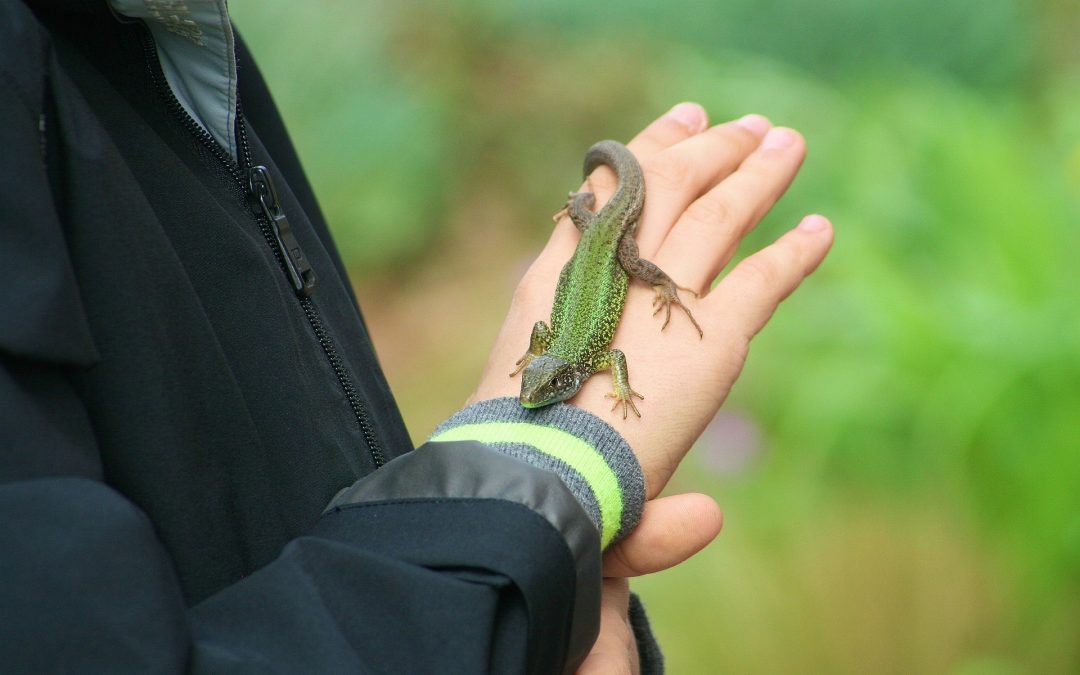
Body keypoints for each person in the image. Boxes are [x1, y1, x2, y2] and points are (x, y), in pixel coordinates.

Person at [0, 1, 833, 673]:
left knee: (647, 273)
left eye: (540, 384)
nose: (539, 387)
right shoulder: (79, 55)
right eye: (539, 383)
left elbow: (592, 333)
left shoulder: (163, 42)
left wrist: (514, 593)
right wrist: (507, 595)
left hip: (606, 251)